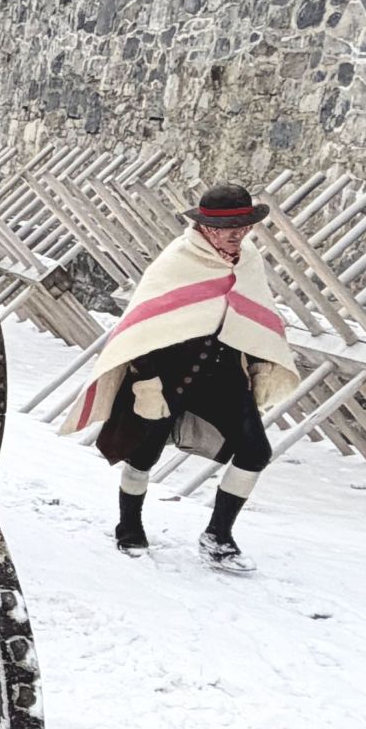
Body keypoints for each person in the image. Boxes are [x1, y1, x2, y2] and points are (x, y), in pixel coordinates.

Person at [60, 183, 299, 574]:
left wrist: (260, 365)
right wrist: (146, 384)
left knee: (256, 451)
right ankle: (129, 525)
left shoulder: (247, 260)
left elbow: (251, 315)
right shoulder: (179, 259)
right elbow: (144, 324)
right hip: (166, 376)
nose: (237, 234)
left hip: (222, 378)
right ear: (206, 227)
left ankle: (218, 536)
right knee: (143, 454)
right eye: (228, 227)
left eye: (244, 225)